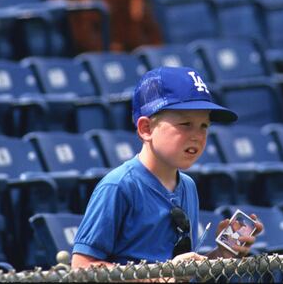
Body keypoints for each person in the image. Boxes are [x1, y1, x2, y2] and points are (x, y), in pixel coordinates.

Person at [71, 66, 264, 268]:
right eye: (186, 124)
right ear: (146, 129)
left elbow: (182, 272)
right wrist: (158, 277)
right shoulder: (119, 186)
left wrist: (222, 253)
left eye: (204, 126)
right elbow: (82, 265)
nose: (197, 135)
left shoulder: (188, 186)